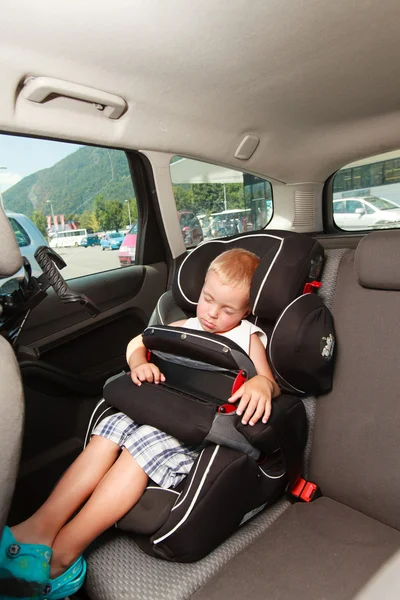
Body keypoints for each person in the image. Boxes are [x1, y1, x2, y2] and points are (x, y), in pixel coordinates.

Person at [0, 248, 280, 600]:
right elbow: (140, 340)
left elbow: (270, 382)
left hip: (200, 428)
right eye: (208, 299)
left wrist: (259, 384)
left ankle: (64, 555)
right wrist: (138, 362)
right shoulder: (187, 325)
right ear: (202, 289)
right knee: (110, 431)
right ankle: (39, 528)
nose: (212, 314)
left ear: (247, 309)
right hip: (162, 407)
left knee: (142, 446)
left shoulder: (247, 336)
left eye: (228, 309)